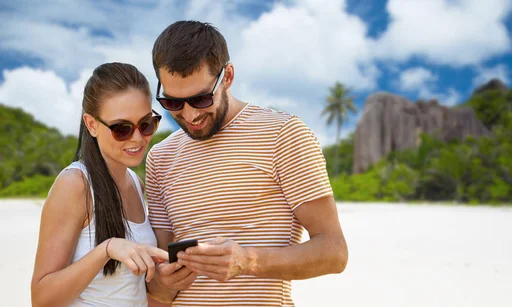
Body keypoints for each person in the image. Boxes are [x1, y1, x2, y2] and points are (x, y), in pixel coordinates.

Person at [145, 21, 349, 306]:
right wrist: (161, 281)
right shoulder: (160, 157)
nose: (189, 115)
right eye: (173, 103)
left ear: (227, 76)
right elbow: (159, 282)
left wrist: (248, 260)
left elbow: (334, 252)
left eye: (201, 99)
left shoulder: (283, 134)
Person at [31, 62, 171, 306]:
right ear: (92, 124)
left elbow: (133, 294)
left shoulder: (136, 184)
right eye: (121, 128)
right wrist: (106, 249)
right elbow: (42, 299)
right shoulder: (75, 185)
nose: (138, 138)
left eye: (146, 124)